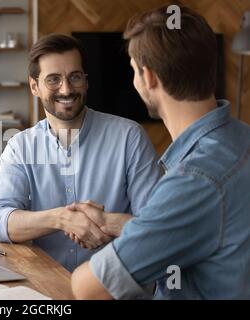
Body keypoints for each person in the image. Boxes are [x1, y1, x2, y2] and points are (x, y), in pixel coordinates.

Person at [71, 6, 250, 299]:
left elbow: (89, 287)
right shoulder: (241, 140)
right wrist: (110, 223)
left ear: (149, 77)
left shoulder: (195, 179)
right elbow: (198, 227)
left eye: (133, 70)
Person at [0, 34, 161, 272]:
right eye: (53, 79)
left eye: (74, 77)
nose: (66, 89)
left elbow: (156, 228)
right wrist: (61, 218)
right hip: (45, 291)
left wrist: (106, 224)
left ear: (86, 82)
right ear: (34, 86)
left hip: (114, 289)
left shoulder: (129, 137)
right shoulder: (20, 147)